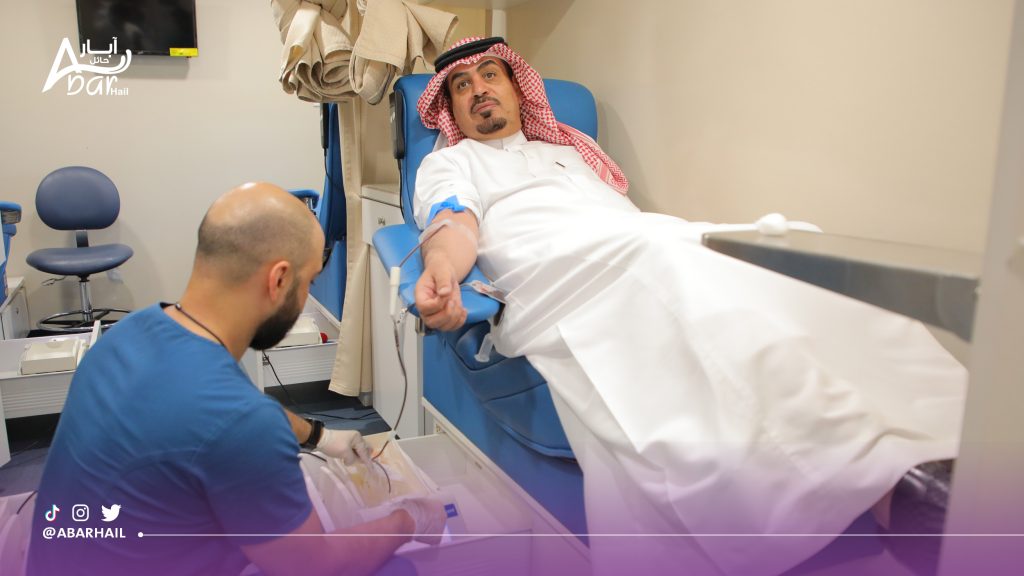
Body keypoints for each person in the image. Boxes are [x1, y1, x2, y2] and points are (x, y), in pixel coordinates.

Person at [412, 37, 966, 576]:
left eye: (490, 75)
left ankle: (952, 432)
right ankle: (894, 492)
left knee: (788, 248)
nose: (479, 90)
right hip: (558, 279)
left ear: (517, 89)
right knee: (668, 262)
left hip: (641, 244)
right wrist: (442, 268)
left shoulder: (568, 152)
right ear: (451, 109)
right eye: (462, 86)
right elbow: (452, 224)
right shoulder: (453, 162)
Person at [28, 183, 446, 576]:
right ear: (278, 280)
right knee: (398, 568)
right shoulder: (238, 421)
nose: (305, 296)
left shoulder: (127, 335)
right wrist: (407, 520)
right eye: (308, 283)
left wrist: (320, 436)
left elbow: (229, 417)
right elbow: (314, 564)